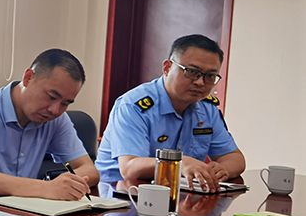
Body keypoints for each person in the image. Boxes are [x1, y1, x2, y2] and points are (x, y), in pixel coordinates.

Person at [0, 49, 98, 199]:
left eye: (65, 104)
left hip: (20, 212)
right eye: (51, 97)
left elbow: (90, 171)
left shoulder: (56, 120)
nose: (55, 110)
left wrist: (65, 184)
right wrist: (46, 188)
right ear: (28, 78)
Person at [95, 34, 246, 191]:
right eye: (191, 71)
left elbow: (235, 157)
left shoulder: (207, 109)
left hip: (178, 193)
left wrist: (222, 169)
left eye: (210, 76)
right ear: (167, 68)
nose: (200, 82)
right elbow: (129, 168)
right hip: (120, 195)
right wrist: (177, 164)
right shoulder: (133, 106)